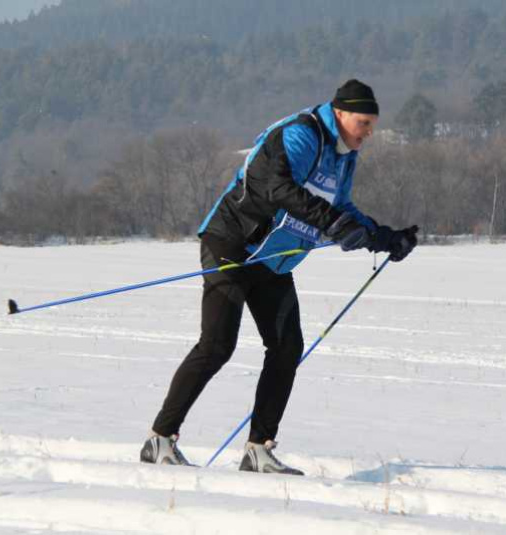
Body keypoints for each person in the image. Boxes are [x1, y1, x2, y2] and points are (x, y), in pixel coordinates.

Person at [140, 79, 418, 475]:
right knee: (218, 344)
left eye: (373, 124)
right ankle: (160, 439)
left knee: (287, 348)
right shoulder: (302, 134)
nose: (369, 132)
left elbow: (340, 207)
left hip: (273, 259)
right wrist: (333, 224)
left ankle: (258, 450)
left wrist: (386, 238)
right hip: (232, 243)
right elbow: (279, 189)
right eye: (364, 122)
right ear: (340, 114)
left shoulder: (344, 155)